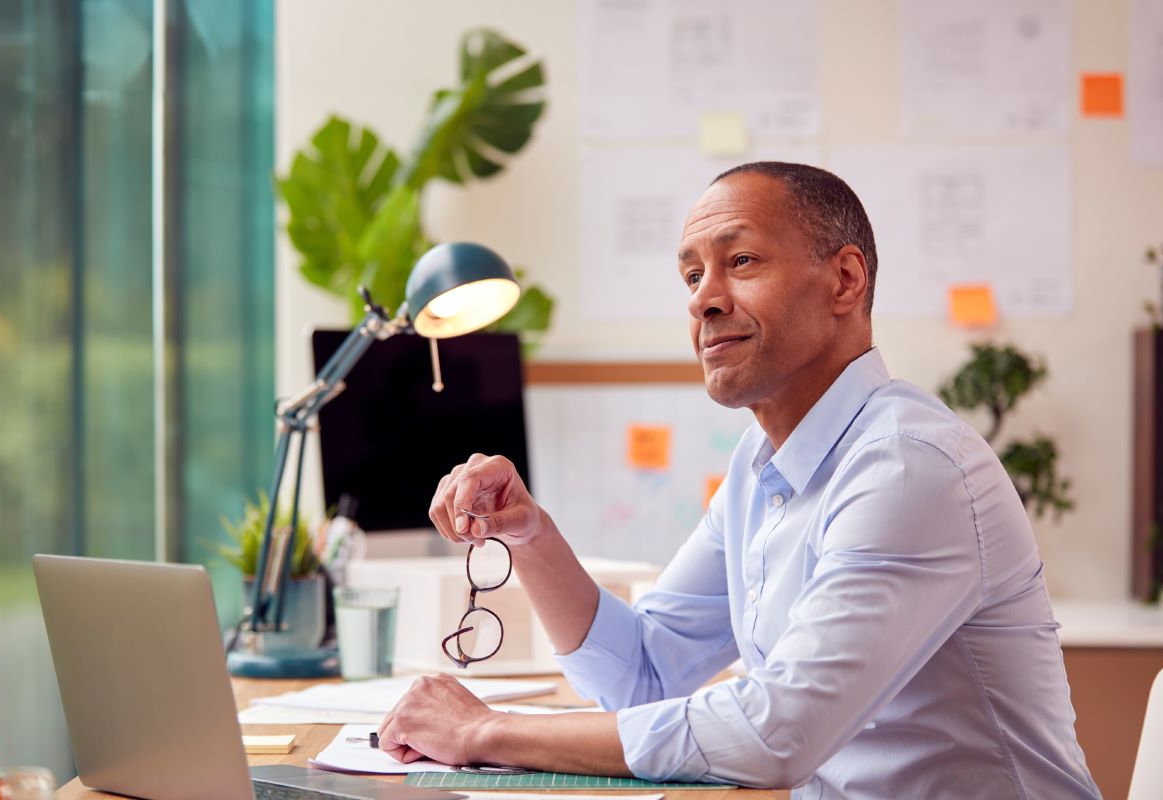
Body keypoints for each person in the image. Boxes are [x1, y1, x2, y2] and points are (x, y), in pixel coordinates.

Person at [377, 162, 1101, 800]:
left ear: (845, 280)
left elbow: (771, 737)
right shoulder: (760, 469)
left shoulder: (909, 466)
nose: (703, 299)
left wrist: (483, 731)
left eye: (742, 260)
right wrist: (531, 538)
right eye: (692, 276)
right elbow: (643, 673)